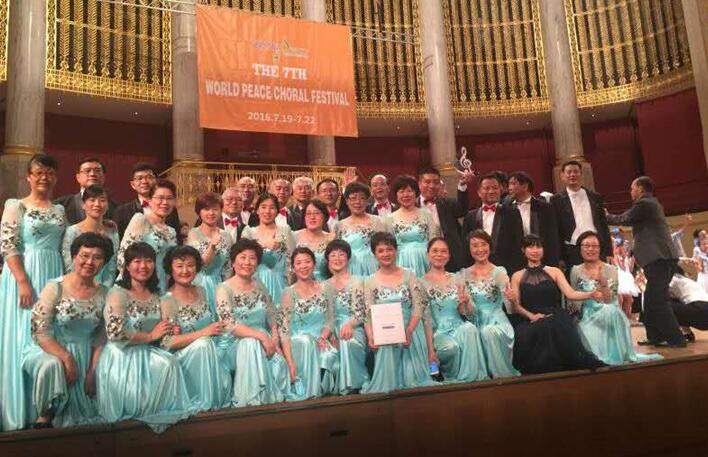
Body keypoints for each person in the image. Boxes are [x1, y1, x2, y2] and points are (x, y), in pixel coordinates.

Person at [96, 242, 194, 432]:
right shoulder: (117, 293)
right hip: (122, 354)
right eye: (137, 261)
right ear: (127, 266)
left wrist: (171, 330)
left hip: (148, 352)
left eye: (148, 261)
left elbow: (166, 333)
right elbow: (115, 334)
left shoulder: (159, 295)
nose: (143, 266)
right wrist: (150, 336)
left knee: (168, 363)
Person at [0, 154, 66, 431]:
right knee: (22, 336)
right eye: (38, 172)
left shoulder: (60, 210)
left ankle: (45, 404)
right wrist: (22, 280)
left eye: (49, 173)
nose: (44, 177)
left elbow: (67, 244)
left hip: (53, 272)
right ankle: (19, 409)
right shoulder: (16, 205)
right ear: (28, 176)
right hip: (24, 275)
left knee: (48, 333)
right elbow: (8, 244)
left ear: (55, 177)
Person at [22, 233, 112, 428]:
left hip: (88, 352)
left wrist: (92, 370)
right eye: (84, 255)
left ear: (104, 263)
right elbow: (39, 330)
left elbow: (101, 336)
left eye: (97, 257)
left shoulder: (105, 293)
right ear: (73, 257)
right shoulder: (55, 287)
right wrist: (66, 357)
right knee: (52, 365)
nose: (90, 262)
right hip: (51, 348)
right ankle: (45, 417)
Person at [508, 235, 606, 374]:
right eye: (531, 247)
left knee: (554, 326)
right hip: (529, 317)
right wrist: (531, 315)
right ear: (523, 250)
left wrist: (590, 294)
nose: (535, 250)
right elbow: (516, 307)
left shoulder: (554, 271)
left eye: (538, 246)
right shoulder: (517, 276)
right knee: (533, 330)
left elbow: (570, 293)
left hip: (555, 314)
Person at [607, 176, 686, 347]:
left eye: (632, 188)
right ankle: (655, 336)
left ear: (640, 189)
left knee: (658, 300)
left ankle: (677, 339)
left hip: (660, 259)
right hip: (661, 259)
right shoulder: (652, 204)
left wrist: (605, 216)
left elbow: (623, 219)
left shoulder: (644, 204)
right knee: (650, 300)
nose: (631, 192)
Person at [215, 239, 290, 407]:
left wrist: (274, 339)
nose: (247, 262)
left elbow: (271, 315)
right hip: (232, 345)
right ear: (233, 262)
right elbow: (229, 324)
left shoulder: (259, 285)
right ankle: (249, 401)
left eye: (252, 258)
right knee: (250, 343)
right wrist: (261, 337)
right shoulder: (223, 288)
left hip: (264, 341)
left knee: (275, 359)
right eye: (242, 257)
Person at [570, 231, 661, 365]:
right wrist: (577, 317)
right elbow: (573, 297)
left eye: (594, 246)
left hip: (608, 311)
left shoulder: (611, 269)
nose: (590, 249)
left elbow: (609, 300)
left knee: (609, 311)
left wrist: (603, 283)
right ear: (580, 248)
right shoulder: (575, 270)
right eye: (586, 245)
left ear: (600, 248)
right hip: (586, 313)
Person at [159, 246, 232, 412]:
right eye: (179, 266)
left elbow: (213, 325)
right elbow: (167, 342)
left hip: (209, 352)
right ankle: (203, 402)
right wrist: (203, 333)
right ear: (170, 269)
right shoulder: (167, 300)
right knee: (203, 344)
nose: (185, 270)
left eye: (191, 265)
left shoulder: (201, 290)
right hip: (182, 358)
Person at [361, 232, 435, 393]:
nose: (386, 254)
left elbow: (418, 305)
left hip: (411, 329)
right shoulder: (369, 281)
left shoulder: (410, 275)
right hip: (385, 332)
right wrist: (371, 336)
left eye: (389, 249)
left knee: (415, 384)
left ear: (396, 251)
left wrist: (409, 330)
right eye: (381, 251)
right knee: (388, 384)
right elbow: (367, 313)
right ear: (374, 254)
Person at [421, 238, 488, 383]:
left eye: (443, 251)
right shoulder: (421, 282)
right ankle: (450, 378)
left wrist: (465, 302)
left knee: (470, 329)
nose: (439, 255)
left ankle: (470, 380)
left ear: (449, 255)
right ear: (427, 254)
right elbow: (426, 319)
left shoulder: (457, 278)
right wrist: (430, 350)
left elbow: (470, 313)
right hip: (438, 331)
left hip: (458, 326)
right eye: (435, 251)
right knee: (450, 348)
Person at [279, 247, 339, 400]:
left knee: (328, 353)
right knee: (306, 341)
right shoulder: (288, 293)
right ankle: (308, 393)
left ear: (314, 264)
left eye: (307, 262)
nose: (303, 266)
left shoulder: (326, 287)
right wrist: (289, 362)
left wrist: (323, 337)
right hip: (298, 341)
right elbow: (284, 331)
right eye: (298, 263)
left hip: (320, 339)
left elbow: (331, 319)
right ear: (293, 268)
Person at [458, 230, 519, 378]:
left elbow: (511, 309)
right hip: (476, 321)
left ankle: (501, 377)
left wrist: (512, 299)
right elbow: (469, 313)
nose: (480, 249)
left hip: (498, 321)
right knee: (473, 332)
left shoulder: (499, 272)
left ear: (490, 246)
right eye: (475, 245)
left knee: (489, 331)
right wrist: (465, 303)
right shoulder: (463, 274)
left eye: (483, 244)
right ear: (469, 249)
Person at [323, 240, 369, 394]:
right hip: (330, 329)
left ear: (348, 258)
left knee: (348, 341)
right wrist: (328, 334)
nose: (337, 258)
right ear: (327, 259)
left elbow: (360, 312)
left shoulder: (357, 281)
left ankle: (355, 384)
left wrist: (350, 325)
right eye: (333, 255)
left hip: (354, 325)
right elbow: (323, 315)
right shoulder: (323, 285)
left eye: (341, 254)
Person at [117, 179, 179, 293]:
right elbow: (123, 257)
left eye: (169, 198)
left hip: (161, 285)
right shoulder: (140, 220)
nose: (165, 202)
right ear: (149, 200)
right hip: (136, 286)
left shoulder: (171, 231)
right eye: (160, 198)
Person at [550, 160, 612, 270]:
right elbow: (556, 230)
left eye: (575, 172)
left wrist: (609, 251)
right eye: (569, 172)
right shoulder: (556, 200)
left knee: (600, 278)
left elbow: (603, 225)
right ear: (562, 176)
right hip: (571, 251)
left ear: (581, 174)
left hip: (596, 247)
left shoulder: (595, 197)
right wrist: (559, 257)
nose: (572, 175)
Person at [462, 172, 524, 274]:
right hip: (477, 271)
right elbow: (466, 246)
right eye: (486, 188)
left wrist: (514, 272)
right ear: (479, 192)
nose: (491, 191)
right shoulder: (470, 216)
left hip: (506, 269)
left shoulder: (512, 213)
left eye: (495, 188)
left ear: (500, 191)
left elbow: (518, 244)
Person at [241, 193, 295, 306]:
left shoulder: (285, 231)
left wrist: (290, 285)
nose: (267, 211)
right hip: (254, 283)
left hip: (280, 284)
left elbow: (292, 261)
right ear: (257, 210)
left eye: (272, 207)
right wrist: (264, 245)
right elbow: (242, 259)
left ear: (277, 211)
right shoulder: (248, 232)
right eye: (263, 207)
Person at [61, 185, 119, 287]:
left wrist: (104, 289)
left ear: (108, 205)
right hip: (77, 286)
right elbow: (69, 264)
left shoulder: (113, 233)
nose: (97, 204)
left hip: (105, 287)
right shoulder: (72, 232)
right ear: (83, 204)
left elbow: (112, 267)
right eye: (92, 200)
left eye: (102, 200)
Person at [418, 166, 474, 271]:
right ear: (419, 184)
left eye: (436, 182)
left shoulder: (447, 204)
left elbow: (463, 209)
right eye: (427, 182)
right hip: (421, 258)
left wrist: (462, 184)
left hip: (449, 258)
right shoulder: (412, 206)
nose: (432, 186)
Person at [186, 192, 234, 311]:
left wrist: (226, 289)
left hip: (219, 285)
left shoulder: (227, 236)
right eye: (206, 209)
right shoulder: (193, 234)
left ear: (221, 211)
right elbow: (202, 264)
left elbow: (228, 267)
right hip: (198, 284)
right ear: (199, 212)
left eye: (215, 209)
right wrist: (212, 246)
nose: (211, 213)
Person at [387, 175, 440, 277]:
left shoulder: (426, 214)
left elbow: (434, 240)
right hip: (400, 261)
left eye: (409, 191)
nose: (406, 195)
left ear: (416, 193)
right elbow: (389, 245)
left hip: (425, 260)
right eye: (401, 191)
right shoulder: (390, 218)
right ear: (396, 195)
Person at [113, 163, 180, 239]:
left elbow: (177, 238)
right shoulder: (122, 212)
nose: (144, 181)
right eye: (139, 178)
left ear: (156, 180)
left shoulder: (169, 209)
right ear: (133, 184)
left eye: (149, 177)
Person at [507, 171, 560, 267]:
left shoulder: (545, 208)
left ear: (525, 186)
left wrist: (554, 262)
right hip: (516, 261)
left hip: (543, 259)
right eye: (509, 184)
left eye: (513, 184)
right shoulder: (507, 209)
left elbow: (552, 237)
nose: (509, 188)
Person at [337, 182, 388, 277]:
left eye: (362, 198)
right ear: (347, 201)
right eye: (353, 198)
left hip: (372, 266)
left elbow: (385, 247)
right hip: (348, 267)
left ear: (367, 201)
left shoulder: (378, 221)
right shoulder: (339, 225)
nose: (357, 202)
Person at [54, 158, 117, 225]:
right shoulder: (61, 204)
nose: (92, 174)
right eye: (87, 171)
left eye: (97, 171)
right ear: (78, 177)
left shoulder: (116, 208)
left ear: (104, 176)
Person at [293, 199, 335, 281]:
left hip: (324, 284)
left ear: (325, 216)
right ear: (304, 217)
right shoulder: (294, 236)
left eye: (317, 213)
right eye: (308, 214)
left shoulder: (331, 239)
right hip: (300, 284)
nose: (312, 217)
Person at [668, 270, 708, 337]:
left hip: (700, 309)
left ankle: (671, 336)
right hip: (702, 309)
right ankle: (687, 334)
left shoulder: (673, 279)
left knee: (661, 305)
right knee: (674, 301)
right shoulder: (686, 280)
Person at [612, 239, 640, 318]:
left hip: (628, 278)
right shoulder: (616, 257)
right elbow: (622, 268)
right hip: (620, 278)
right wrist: (623, 259)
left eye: (626, 248)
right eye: (623, 248)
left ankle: (626, 319)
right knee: (620, 300)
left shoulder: (627, 258)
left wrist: (632, 261)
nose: (625, 249)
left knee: (629, 300)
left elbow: (630, 270)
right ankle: (618, 319)